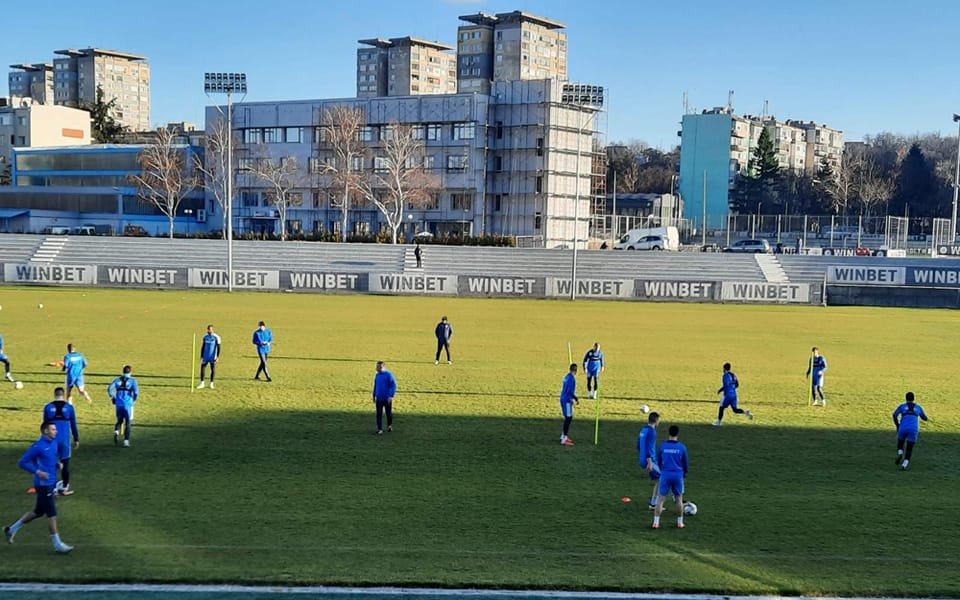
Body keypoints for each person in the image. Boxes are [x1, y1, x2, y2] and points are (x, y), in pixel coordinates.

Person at [3, 421, 74, 553]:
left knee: (38, 512)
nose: (56, 431)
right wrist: (37, 472)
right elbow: (22, 462)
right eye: (53, 429)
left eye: (55, 429)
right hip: (43, 485)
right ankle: (58, 545)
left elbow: (50, 459)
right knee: (52, 513)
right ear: (45, 431)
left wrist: (57, 464)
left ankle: (11, 529)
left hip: (51, 483)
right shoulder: (38, 446)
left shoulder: (53, 443)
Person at [41, 387, 78, 496]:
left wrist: (44, 439)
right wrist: (76, 438)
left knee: (51, 463)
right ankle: (65, 487)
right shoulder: (69, 408)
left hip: (52, 440)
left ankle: (52, 489)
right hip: (64, 440)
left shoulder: (48, 407)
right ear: (63, 395)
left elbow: (44, 425)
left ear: (54, 394)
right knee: (65, 464)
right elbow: (73, 425)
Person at [652, 424, 689, 529]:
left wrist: (663, 470)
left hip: (665, 474)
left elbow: (659, 461)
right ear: (678, 434)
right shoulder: (682, 447)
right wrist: (684, 474)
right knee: (678, 499)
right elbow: (685, 463)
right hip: (678, 475)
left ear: (669, 433)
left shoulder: (663, 446)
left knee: (660, 499)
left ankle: (656, 522)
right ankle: (680, 522)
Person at [892, 391, 929, 470]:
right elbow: (925, 418)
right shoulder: (918, 407)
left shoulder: (902, 406)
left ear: (906, 399)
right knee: (909, 448)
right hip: (913, 429)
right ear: (913, 399)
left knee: (900, 443)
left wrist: (897, 425)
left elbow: (894, 415)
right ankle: (904, 465)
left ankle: (900, 453)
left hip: (903, 427)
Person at [109, 365, 139, 448]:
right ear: (130, 372)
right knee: (128, 423)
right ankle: (126, 441)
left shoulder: (117, 380)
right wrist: (134, 399)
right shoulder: (133, 381)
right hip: (128, 404)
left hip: (118, 404)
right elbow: (136, 392)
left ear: (123, 371)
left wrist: (113, 397)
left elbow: (110, 389)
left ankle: (116, 431)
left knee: (119, 420)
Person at [637, 411, 661, 509]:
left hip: (644, 459)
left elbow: (639, 446)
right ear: (656, 420)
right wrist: (649, 462)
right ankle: (654, 503)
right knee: (663, 478)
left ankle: (654, 503)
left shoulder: (643, 430)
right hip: (649, 461)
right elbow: (647, 446)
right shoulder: (652, 432)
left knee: (659, 479)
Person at [372, 361, 397, 435]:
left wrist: (391, 396)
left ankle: (389, 425)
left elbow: (394, 386)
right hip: (379, 398)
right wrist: (374, 395)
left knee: (388, 413)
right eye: (377, 367)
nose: (377, 368)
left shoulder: (389, 375)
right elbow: (375, 385)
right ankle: (379, 429)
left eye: (379, 367)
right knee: (378, 414)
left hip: (387, 399)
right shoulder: (377, 375)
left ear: (383, 367)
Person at [559, 363, 579, 446]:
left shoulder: (566, 376)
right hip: (567, 400)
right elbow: (571, 391)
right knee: (569, 418)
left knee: (567, 418)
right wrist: (576, 398)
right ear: (576, 371)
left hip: (563, 398)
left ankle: (563, 435)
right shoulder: (572, 379)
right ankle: (564, 439)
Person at [197, 324, 222, 389]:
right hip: (205, 356)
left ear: (213, 330)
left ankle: (211, 383)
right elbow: (203, 347)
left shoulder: (217, 337)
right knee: (202, 368)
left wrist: (217, 357)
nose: (209, 331)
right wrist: (201, 356)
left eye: (210, 330)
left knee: (212, 369)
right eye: (208, 329)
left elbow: (219, 347)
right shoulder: (205, 337)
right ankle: (202, 383)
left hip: (212, 356)